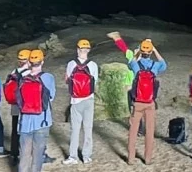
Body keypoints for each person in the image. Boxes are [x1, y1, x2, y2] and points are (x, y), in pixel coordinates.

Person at [107, 31, 166, 164]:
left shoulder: (134, 64)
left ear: (140, 51)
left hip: (137, 100)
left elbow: (128, 57)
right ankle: (148, 158)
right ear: (150, 52)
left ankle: (131, 158)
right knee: (150, 132)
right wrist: (153, 48)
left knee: (132, 131)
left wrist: (137, 52)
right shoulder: (155, 66)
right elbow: (164, 64)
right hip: (149, 102)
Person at [16, 48, 58, 172]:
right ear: (42, 61)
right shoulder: (48, 77)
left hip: (25, 123)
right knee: (37, 156)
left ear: (29, 62)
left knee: (24, 155)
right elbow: (51, 97)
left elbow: (18, 100)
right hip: (42, 122)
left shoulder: (22, 78)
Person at [64, 39, 99, 164]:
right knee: (88, 128)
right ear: (88, 50)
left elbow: (67, 81)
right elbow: (95, 82)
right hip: (89, 100)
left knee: (75, 129)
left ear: (77, 49)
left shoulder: (71, 64)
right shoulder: (93, 65)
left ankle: (73, 156)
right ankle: (86, 156)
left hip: (75, 101)